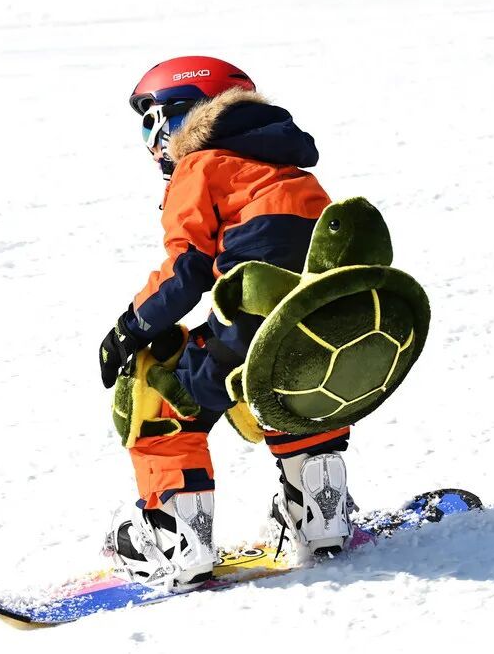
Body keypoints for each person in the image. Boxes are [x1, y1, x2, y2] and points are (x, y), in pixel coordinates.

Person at [99, 56, 353, 590]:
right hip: (324, 333)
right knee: (283, 379)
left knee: (159, 388)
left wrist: (130, 329)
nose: (150, 143)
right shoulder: (289, 169)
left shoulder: (202, 167)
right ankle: (320, 515)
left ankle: (173, 541)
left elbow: (186, 269)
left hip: (254, 325)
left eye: (153, 122)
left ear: (186, 115)